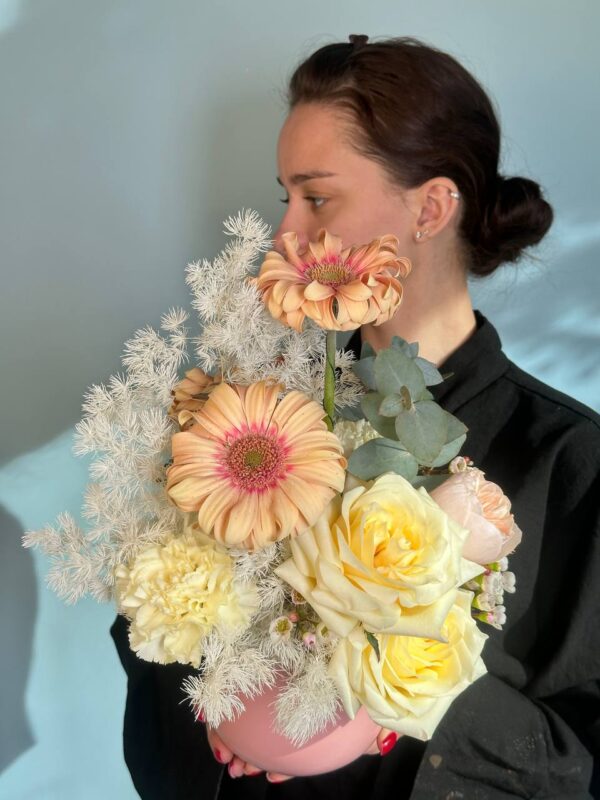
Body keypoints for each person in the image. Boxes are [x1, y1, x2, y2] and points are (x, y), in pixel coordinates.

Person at [111, 35, 600, 799]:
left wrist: (401, 699)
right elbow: (151, 641)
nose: (285, 235)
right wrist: (228, 719)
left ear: (430, 208)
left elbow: (582, 759)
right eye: (286, 197)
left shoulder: (568, 460)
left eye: (317, 198)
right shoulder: (242, 425)